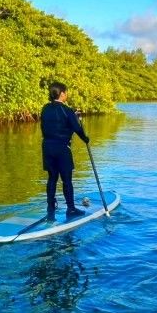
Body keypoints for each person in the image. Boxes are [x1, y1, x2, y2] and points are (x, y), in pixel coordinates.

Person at [40, 82, 90, 221]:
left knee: (52, 179)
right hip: (62, 149)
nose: (66, 95)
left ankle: (50, 209)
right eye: (66, 92)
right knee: (67, 180)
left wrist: (71, 115)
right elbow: (77, 129)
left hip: (47, 147)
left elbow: (50, 124)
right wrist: (85, 138)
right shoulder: (66, 110)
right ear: (61, 94)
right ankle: (71, 209)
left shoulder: (45, 108)